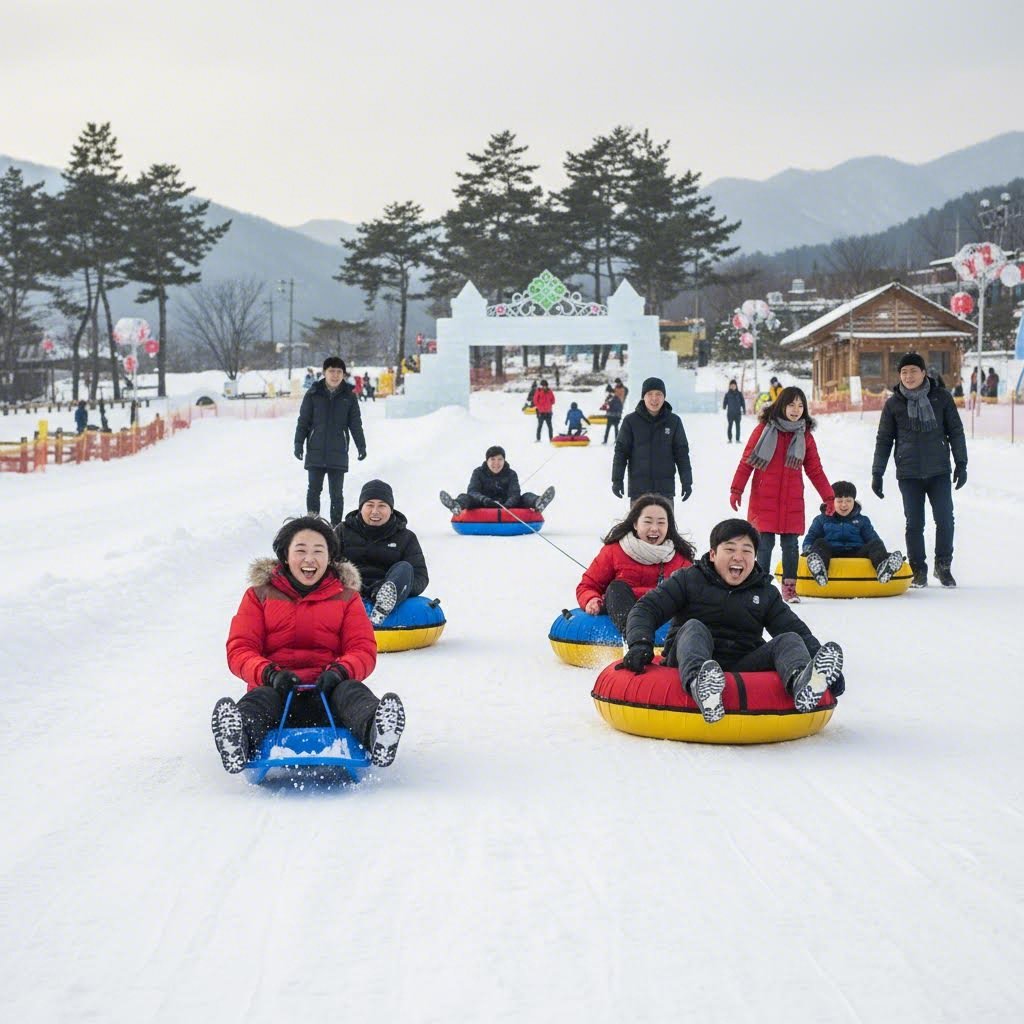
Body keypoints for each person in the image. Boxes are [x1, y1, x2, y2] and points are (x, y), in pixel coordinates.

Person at [210, 516, 405, 773]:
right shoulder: (259, 595)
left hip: (329, 695)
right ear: (285, 555)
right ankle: (239, 739)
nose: (309, 559)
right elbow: (240, 648)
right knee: (259, 698)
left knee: (352, 693)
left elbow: (362, 648)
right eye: (300, 551)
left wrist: (339, 672)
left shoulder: (346, 597)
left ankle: (377, 733)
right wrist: (269, 674)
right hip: (278, 696)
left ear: (330, 557)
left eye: (318, 551)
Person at [619, 518, 845, 724]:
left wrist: (820, 665)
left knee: (790, 639)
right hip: (688, 657)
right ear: (714, 554)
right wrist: (640, 644)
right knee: (694, 627)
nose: (739, 557)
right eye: (730, 549)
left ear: (755, 557)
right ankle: (702, 686)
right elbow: (647, 608)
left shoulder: (764, 591)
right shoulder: (688, 579)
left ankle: (803, 682)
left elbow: (796, 629)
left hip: (741, 662)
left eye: (747, 551)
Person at [871, 352, 967, 588]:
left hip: (939, 471)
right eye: (904, 372)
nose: (908, 376)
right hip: (909, 472)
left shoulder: (941, 398)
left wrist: (961, 463)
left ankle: (943, 566)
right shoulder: (893, 403)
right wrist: (877, 472)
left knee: (945, 520)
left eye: (913, 371)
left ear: (924, 373)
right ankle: (918, 569)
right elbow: (884, 439)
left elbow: (955, 431)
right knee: (914, 523)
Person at [730, 385, 833, 603]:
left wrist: (828, 496)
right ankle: (761, 586)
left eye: (800, 405)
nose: (796, 409)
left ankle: (789, 589)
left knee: (790, 546)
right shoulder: (763, 430)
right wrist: (736, 489)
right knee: (764, 545)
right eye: (791, 404)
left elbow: (815, 470)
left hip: (791, 500)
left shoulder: (804, 436)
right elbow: (747, 462)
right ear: (781, 405)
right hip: (764, 498)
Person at [577, 494, 696, 633]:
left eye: (661, 522)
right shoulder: (614, 551)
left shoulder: (680, 560)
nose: (654, 528)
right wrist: (591, 599)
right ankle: (633, 637)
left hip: (663, 616)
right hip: (624, 610)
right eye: (648, 521)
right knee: (616, 588)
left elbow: (695, 595)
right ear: (635, 524)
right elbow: (587, 586)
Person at [337, 480, 429, 625]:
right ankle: (353, 607)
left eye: (382, 506)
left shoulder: (406, 537)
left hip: (386, 589)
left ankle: (381, 609)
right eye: (369, 505)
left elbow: (420, 576)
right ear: (361, 508)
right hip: (351, 588)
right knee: (336, 567)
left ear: (391, 509)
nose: (375, 511)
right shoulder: (342, 531)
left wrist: (402, 590)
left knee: (405, 568)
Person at [294, 356, 366, 526]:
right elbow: (303, 421)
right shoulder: (313, 394)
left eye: (339, 372)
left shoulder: (349, 396)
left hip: (338, 452)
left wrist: (361, 445)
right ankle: (313, 525)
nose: (335, 375)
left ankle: (335, 528)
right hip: (315, 450)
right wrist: (298, 443)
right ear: (324, 373)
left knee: (336, 494)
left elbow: (355, 424)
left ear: (343, 374)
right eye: (331, 371)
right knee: (313, 491)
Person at [802, 480, 904, 586]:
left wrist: (883, 554)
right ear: (832, 501)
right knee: (819, 542)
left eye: (848, 501)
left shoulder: (862, 520)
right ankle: (819, 570)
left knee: (876, 543)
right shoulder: (822, 519)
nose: (844, 505)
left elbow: (872, 539)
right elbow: (811, 537)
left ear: (854, 501)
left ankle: (883, 568)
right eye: (840, 501)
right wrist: (808, 550)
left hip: (857, 552)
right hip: (831, 553)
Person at [612, 377, 693, 503]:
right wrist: (617, 480)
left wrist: (687, 482)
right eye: (650, 394)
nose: (654, 398)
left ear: (664, 397)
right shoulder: (630, 421)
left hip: (665, 491)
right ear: (643, 396)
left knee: (664, 523)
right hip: (639, 491)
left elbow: (682, 454)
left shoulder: (674, 421)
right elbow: (621, 453)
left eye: (658, 394)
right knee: (639, 523)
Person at [439, 445, 555, 515]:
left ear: (504, 460)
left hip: (506, 504)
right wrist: (484, 499)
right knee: (465, 496)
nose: (496, 463)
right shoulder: (478, 472)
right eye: (492, 459)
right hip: (483, 504)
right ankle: (456, 505)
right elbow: (473, 491)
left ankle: (539, 502)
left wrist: (509, 503)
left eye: (500, 459)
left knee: (525, 496)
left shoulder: (511, 474)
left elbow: (514, 493)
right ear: (487, 460)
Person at [722, 379, 745, 443]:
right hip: (730, 413)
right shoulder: (727, 394)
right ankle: (730, 439)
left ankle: (737, 439)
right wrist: (724, 406)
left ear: (736, 386)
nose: (732, 386)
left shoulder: (739, 394)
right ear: (729, 386)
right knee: (730, 426)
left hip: (738, 413)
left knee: (738, 426)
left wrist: (744, 409)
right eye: (731, 385)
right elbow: (725, 401)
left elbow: (743, 402)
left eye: (734, 385)